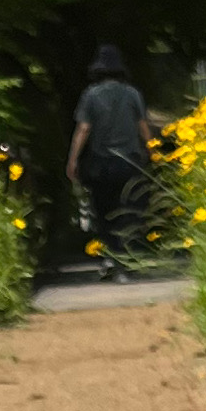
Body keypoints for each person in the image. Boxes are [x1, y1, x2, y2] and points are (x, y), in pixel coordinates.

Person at [67, 43, 153, 267]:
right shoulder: (132, 94)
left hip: (101, 164)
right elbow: (143, 127)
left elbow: (83, 129)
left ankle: (109, 256)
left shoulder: (90, 95)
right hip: (130, 163)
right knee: (129, 210)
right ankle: (126, 257)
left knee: (104, 210)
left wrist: (73, 160)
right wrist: (154, 152)